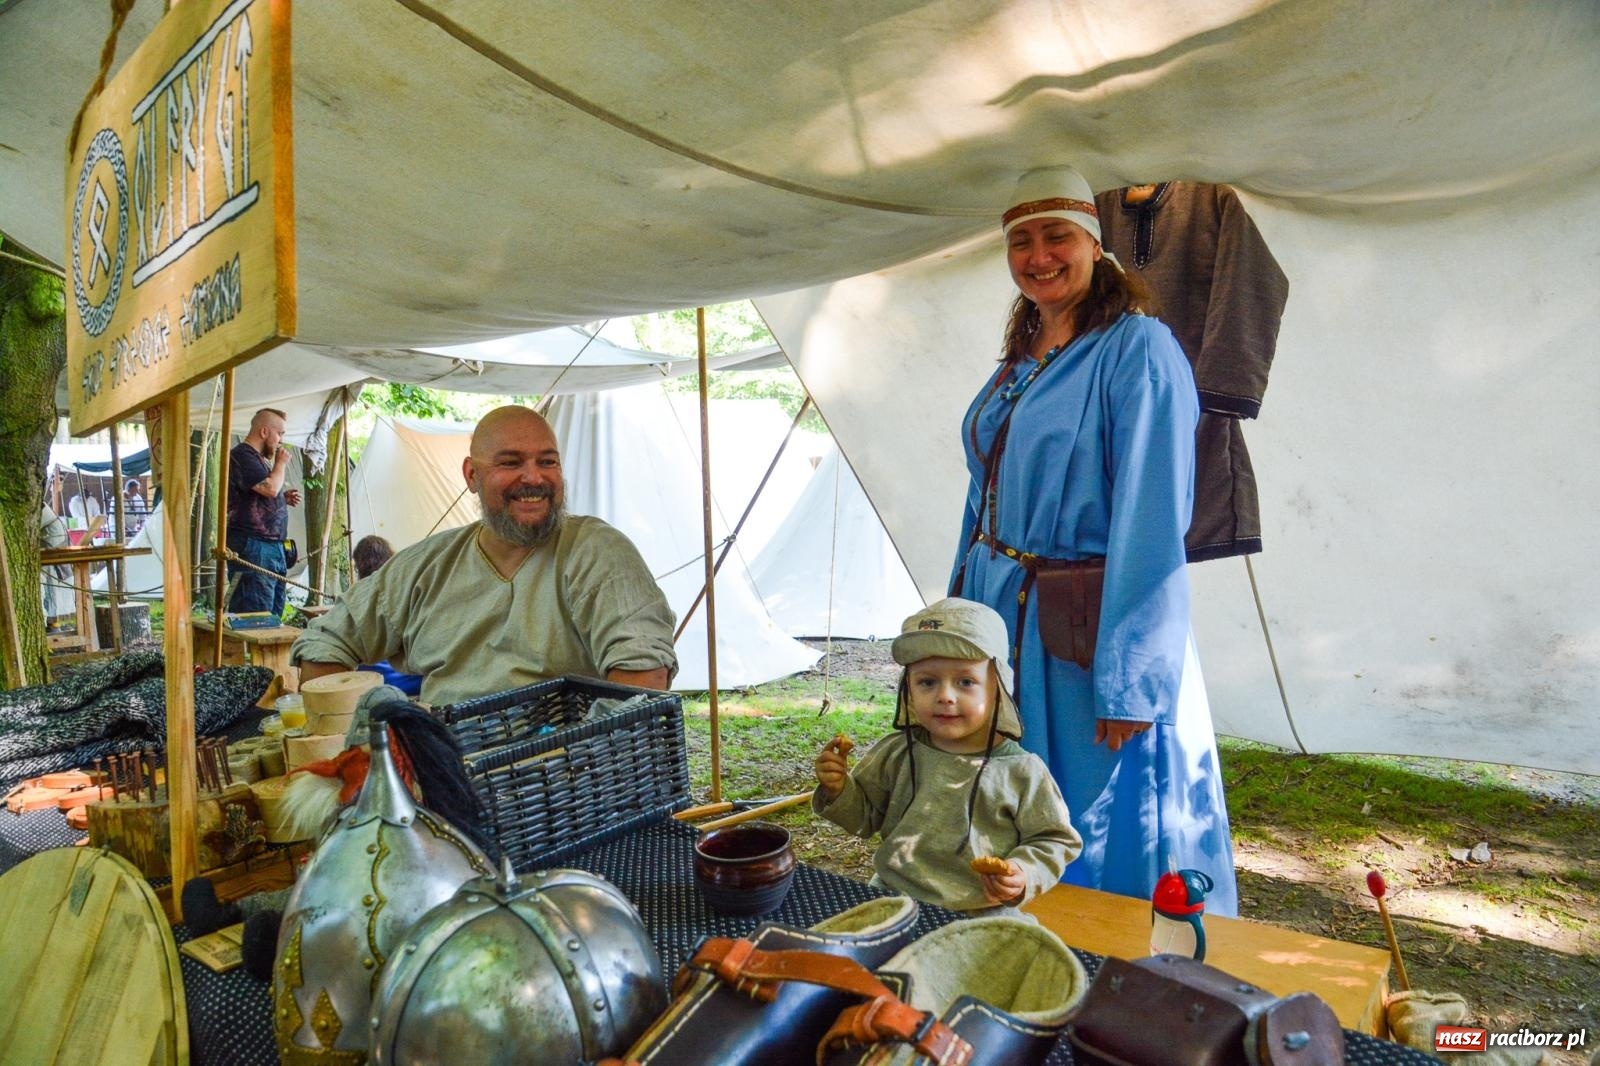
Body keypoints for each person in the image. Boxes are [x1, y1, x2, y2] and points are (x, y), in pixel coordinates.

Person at [947, 165, 1237, 915]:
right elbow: (984, 497)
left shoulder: (1137, 348)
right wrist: (958, 620)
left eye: (1057, 237)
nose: (1038, 256)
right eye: (1021, 242)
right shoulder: (1024, 355)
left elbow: (1153, 517)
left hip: (1085, 633)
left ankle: (1105, 956)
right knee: (1010, 797)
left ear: (1094, 245)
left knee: (1090, 812)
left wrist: (1131, 678)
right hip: (1005, 616)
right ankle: (1020, 939)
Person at [292, 405, 677, 706]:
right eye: (511, 462)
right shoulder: (429, 564)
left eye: (547, 461)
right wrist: (356, 734)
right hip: (442, 768)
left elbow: (643, 677)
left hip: (565, 772)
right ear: (472, 476)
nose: (534, 478)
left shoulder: (596, 552)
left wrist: (583, 761)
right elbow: (325, 641)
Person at [813, 597, 1081, 912]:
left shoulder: (1021, 771)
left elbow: (1054, 839)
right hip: (892, 899)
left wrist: (1023, 872)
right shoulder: (897, 753)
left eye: (965, 682)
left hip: (981, 911)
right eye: (927, 682)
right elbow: (864, 818)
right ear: (908, 688)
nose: (945, 696)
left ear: (997, 689)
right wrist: (839, 789)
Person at [226, 408, 301, 619]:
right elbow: (270, 488)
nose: (281, 441)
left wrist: (282, 499)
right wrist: (281, 463)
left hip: (270, 548)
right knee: (255, 616)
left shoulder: (257, 459)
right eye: (280, 434)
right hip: (254, 546)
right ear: (264, 431)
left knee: (272, 615)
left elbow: (259, 494)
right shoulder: (242, 455)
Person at [346, 534, 422, 697]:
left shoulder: (353, 600)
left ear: (358, 567)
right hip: (406, 683)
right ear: (391, 560)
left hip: (370, 683)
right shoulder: (403, 592)